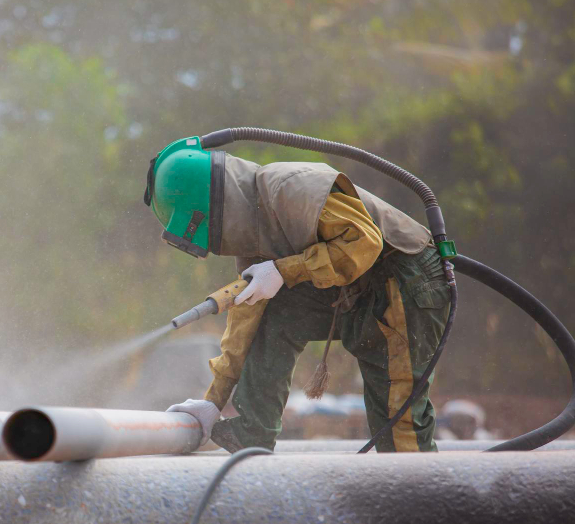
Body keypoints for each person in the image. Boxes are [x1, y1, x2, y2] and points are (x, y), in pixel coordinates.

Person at [142, 136, 451, 452]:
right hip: (360, 287)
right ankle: (252, 435)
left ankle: (421, 495)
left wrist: (284, 271)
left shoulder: (289, 188)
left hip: (405, 277)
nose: (213, 246)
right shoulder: (255, 234)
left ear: (210, 210)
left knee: (398, 427)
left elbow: (364, 243)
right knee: (269, 312)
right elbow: (246, 324)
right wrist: (213, 402)